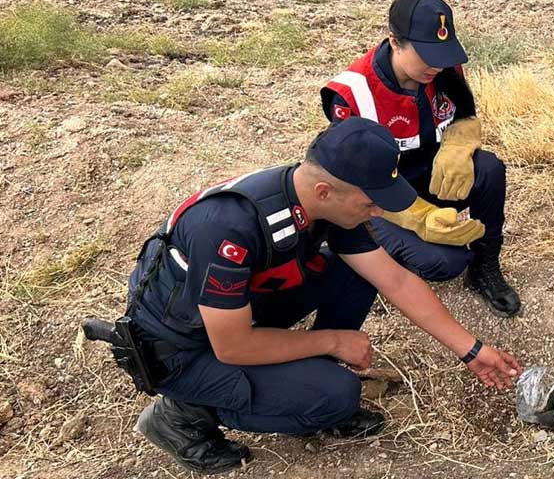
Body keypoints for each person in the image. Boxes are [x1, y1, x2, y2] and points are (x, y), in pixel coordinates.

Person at [122, 117, 521, 474]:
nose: (378, 212)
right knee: (337, 396)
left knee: (354, 272)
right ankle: (183, 413)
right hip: (185, 349)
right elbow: (233, 346)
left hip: (237, 312)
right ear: (324, 190)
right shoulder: (228, 226)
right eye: (370, 202)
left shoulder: (327, 205)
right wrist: (333, 340)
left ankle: (307, 376)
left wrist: (473, 351)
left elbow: (394, 280)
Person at [321, 0, 520, 317]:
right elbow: (356, 184)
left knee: (489, 169)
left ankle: (486, 268)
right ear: (395, 42)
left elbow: (465, 114)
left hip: (428, 179)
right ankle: (372, 259)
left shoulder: (443, 69)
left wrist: (458, 145)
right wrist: (420, 217)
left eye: (442, 53)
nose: (437, 65)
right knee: (445, 262)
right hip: (379, 202)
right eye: (426, 53)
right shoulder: (351, 95)